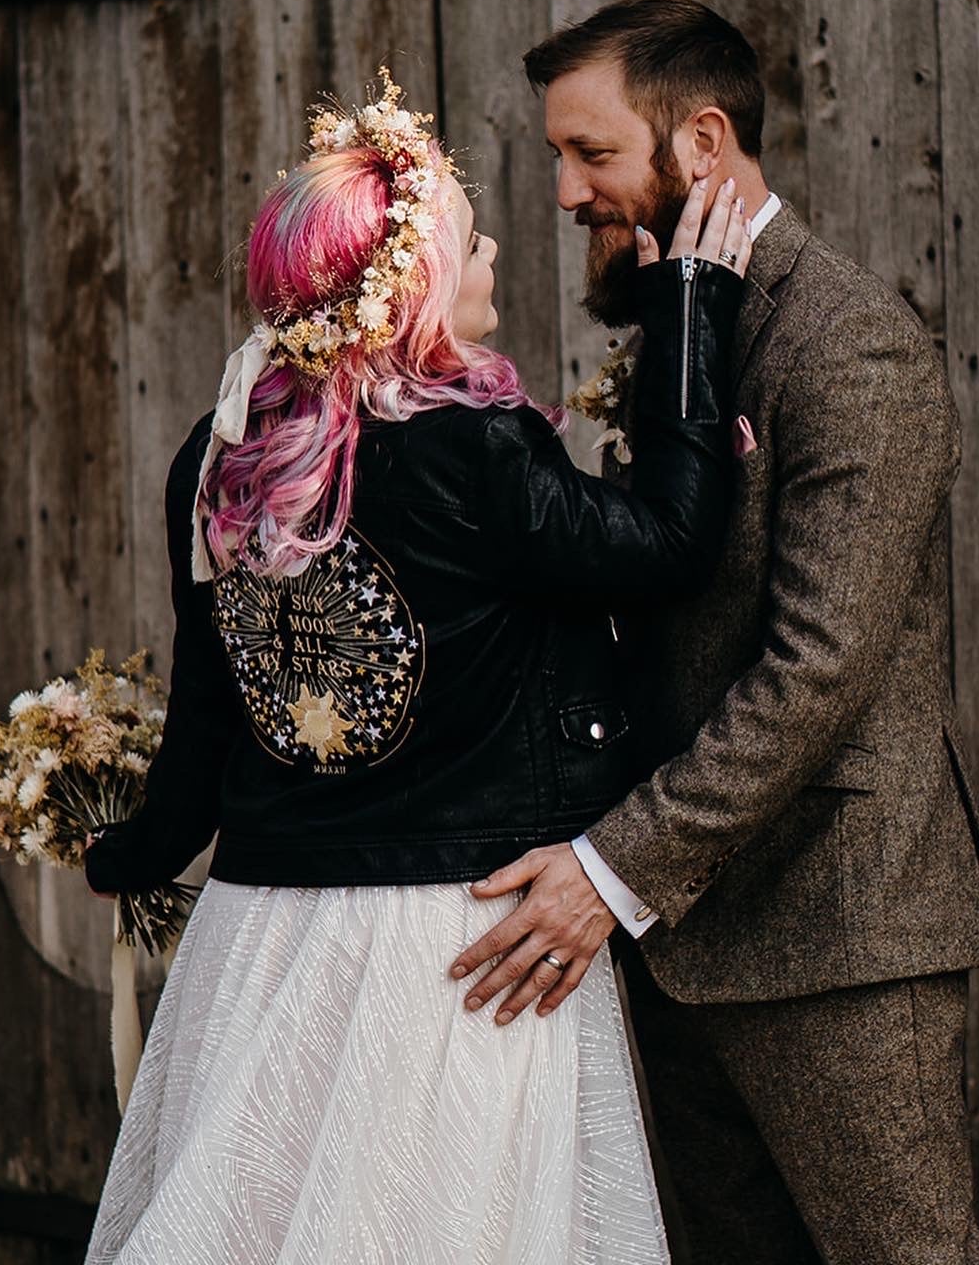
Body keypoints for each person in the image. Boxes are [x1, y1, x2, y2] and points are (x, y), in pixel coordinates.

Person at [80, 70, 752, 1264]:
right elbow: (667, 547)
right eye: (465, 230)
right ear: (416, 283)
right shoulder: (473, 451)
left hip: (263, 936)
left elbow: (210, 712)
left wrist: (132, 851)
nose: (491, 241)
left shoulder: (222, 454)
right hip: (457, 950)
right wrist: (694, 312)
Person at [451, 0, 979, 1264]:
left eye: (590, 154)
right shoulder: (680, 328)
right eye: (558, 156)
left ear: (702, 142)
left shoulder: (847, 344)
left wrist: (608, 873)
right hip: (683, 939)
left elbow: (815, 671)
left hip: (837, 934)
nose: (562, 192)